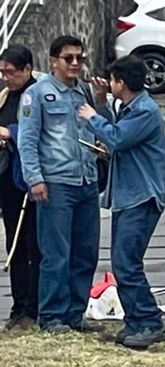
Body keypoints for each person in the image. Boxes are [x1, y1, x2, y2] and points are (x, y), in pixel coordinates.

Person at [78, 55, 165, 349]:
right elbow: (117, 130)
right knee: (122, 263)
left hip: (141, 196)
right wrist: (103, 103)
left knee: (127, 264)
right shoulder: (131, 108)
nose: (111, 84)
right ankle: (136, 322)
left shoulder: (144, 111)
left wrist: (91, 115)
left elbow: (117, 137)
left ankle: (149, 321)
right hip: (127, 196)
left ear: (123, 82)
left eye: (114, 80)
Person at [17, 35, 104, 334]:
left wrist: (102, 101)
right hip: (55, 182)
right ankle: (52, 315)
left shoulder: (84, 93)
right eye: (69, 58)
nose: (76, 64)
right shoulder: (37, 94)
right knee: (56, 253)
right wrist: (35, 179)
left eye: (80, 57)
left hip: (86, 179)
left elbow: (99, 128)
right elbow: (27, 140)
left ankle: (74, 313)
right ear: (54, 60)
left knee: (85, 252)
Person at [0, 45, 40, 331]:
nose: (6, 78)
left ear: (27, 70)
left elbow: (36, 132)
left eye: (11, 72)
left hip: (29, 182)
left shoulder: (35, 96)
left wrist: (9, 133)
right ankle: (18, 306)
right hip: (8, 184)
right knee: (13, 246)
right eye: (2, 72)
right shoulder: (5, 96)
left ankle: (32, 307)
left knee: (32, 247)